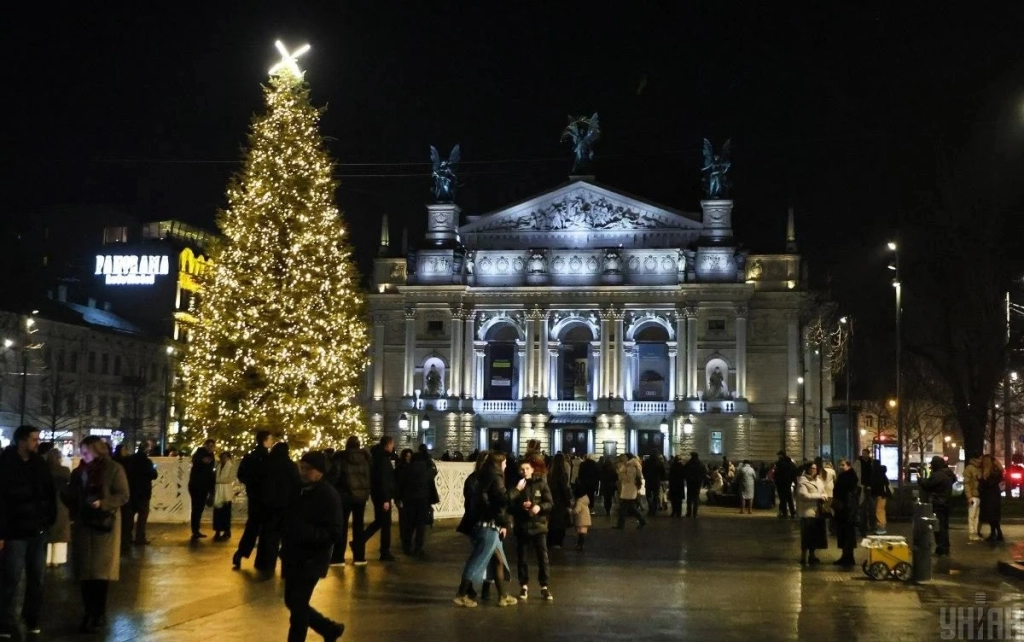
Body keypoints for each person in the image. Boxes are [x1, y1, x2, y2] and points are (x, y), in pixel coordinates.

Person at [64, 435, 130, 634]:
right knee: (85, 573)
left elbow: (123, 494)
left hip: (104, 526)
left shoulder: (114, 469)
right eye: (81, 450)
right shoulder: (79, 471)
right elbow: (73, 495)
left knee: (100, 573)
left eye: (86, 450)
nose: (82, 454)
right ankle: (89, 612)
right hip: (85, 525)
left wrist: (103, 503)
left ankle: (98, 612)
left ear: (96, 449)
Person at [0, 426, 57, 638]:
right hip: (16, 531)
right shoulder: (6, 465)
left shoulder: (39, 464)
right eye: (34, 439)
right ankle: (6, 621)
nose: (37, 443)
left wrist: (48, 520)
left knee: (37, 578)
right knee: (12, 578)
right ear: (22, 441)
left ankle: (31, 618)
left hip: (37, 529)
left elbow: (50, 494)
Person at [282, 452, 344, 642]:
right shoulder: (300, 489)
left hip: (312, 558)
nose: (303, 472)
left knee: (298, 606)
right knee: (292, 601)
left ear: (319, 471)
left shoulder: (328, 495)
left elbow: (333, 531)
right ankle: (329, 628)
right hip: (293, 555)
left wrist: (306, 532)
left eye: (308, 469)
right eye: (302, 467)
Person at [453, 451, 515, 608]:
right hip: (486, 526)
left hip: (489, 524)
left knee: (497, 560)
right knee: (478, 560)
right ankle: (463, 593)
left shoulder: (484, 480)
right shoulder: (486, 480)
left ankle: (502, 595)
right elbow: (498, 503)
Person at [510, 455, 553, 601]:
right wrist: (520, 507)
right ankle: (524, 585)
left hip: (538, 525)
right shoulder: (517, 485)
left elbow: (549, 503)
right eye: (522, 469)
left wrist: (539, 507)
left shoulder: (541, 484)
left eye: (527, 468)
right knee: (522, 557)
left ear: (532, 469)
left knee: (543, 557)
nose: (524, 471)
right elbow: (510, 504)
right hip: (522, 525)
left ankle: (544, 586)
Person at [233, 431, 274, 570]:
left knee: (253, 526)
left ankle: (241, 553)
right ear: (264, 440)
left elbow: (241, 474)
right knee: (265, 529)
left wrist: (251, 485)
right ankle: (261, 559)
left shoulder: (250, 457)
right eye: (270, 438)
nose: (272, 441)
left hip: (254, 496)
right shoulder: (268, 458)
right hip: (266, 497)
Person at [257, 441, 301, 572]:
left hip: (268, 505)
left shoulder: (266, 464)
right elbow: (296, 485)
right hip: (285, 505)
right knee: (286, 536)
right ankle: (286, 564)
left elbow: (260, 483)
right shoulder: (290, 466)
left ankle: (265, 563)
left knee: (268, 535)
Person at [331, 436, 372, 566]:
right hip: (360, 497)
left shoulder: (341, 458)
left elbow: (335, 476)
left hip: (345, 496)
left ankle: (338, 557)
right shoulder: (366, 459)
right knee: (359, 526)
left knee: (342, 526)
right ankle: (359, 557)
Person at [359, 436, 397, 563]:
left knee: (380, 521)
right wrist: (386, 498)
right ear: (387, 445)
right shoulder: (383, 459)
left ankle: (360, 541)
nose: (393, 447)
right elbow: (383, 480)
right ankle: (384, 551)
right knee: (385, 523)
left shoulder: (377, 457)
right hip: (382, 496)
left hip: (377, 495)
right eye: (392, 444)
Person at [395, 449, 434, 556]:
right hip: (423, 500)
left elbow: (401, 484)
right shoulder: (426, 470)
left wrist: (399, 498)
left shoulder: (406, 469)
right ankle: (418, 547)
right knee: (421, 526)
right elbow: (433, 475)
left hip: (409, 500)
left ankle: (407, 546)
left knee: (409, 524)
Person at [919, 456, 956, 556]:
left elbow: (927, 485)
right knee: (944, 526)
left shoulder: (937, 475)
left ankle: (941, 548)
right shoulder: (947, 474)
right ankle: (945, 547)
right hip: (946, 503)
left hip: (939, 503)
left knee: (938, 527)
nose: (931, 466)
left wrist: (919, 479)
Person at [124, 442, 158, 547]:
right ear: (147, 450)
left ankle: (127, 537)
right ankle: (140, 538)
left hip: (132, 491)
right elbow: (153, 475)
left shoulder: (130, 459)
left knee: (130, 516)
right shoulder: (147, 462)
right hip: (143, 492)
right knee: (142, 516)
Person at [796, 462, 827, 566]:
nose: (814, 470)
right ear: (807, 469)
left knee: (814, 536)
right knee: (806, 535)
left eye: (815, 468)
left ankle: (812, 555)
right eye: (812, 468)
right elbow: (803, 495)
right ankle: (803, 556)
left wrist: (824, 495)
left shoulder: (818, 480)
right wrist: (819, 496)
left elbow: (823, 491)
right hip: (807, 511)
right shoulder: (803, 480)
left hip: (817, 511)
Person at [44, 448, 71, 567]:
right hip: (61, 504)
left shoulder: (43, 470)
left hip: (47, 503)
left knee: (47, 532)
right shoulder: (64, 471)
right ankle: (57, 559)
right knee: (60, 532)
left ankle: (47, 558)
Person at [831, 458, 860, 566]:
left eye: (843, 465)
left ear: (848, 465)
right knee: (848, 533)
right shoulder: (852, 477)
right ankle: (848, 556)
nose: (841, 467)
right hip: (848, 509)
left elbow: (842, 492)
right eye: (840, 465)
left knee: (845, 533)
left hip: (845, 509)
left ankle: (846, 556)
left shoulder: (845, 477)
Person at [187, 439, 216, 540]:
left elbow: (211, 473)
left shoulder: (210, 456)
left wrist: (211, 490)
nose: (210, 447)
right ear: (205, 445)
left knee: (199, 508)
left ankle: (196, 530)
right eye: (209, 445)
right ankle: (195, 530)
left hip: (203, 485)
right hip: (197, 485)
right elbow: (200, 461)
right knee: (197, 508)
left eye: (212, 446)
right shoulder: (200, 453)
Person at [546, 453, 572, 548]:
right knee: (560, 523)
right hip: (560, 502)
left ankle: (550, 541)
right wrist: (568, 502)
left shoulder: (550, 474)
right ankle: (557, 542)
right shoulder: (561, 474)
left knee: (552, 522)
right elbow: (564, 489)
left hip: (551, 500)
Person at [614, 454, 646, 529]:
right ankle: (641, 521)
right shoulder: (630, 465)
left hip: (629, 488)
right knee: (628, 507)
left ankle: (621, 524)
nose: (622, 458)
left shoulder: (631, 465)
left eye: (624, 457)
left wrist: (621, 474)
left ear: (628, 457)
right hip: (629, 488)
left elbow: (629, 478)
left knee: (626, 506)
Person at [978, 454, 1004, 542]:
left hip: (991, 496)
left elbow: (989, 484)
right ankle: (995, 533)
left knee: (993, 516)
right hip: (990, 496)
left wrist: (982, 479)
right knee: (992, 517)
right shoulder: (993, 471)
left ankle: (997, 534)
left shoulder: (993, 472)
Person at [213, 451, 236, 541]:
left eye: (225, 457)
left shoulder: (230, 467)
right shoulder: (218, 466)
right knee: (218, 513)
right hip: (219, 492)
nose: (223, 459)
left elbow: (229, 478)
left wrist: (218, 480)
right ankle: (218, 530)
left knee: (226, 513)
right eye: (222, 457)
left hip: (226, 493)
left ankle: (227, 530)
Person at [853, 448, 875, 534]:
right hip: (861, 486)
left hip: (869, 487)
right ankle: (863, 526)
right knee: (862, 506)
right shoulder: (858, 462)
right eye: (863, 453)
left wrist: (871, 485)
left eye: (865, 453)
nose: (863, 455)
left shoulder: (871, 462)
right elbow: (855, 473)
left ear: (868, 454)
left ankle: (869, 524)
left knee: (870, 507)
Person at [962, 454, 982, 542]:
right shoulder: (970, 468)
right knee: (972, 516)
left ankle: (975, 533)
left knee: (976, 516)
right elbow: (966, 483)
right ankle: (972, 533)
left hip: (977, 495)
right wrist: (969, 496)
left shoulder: (979, 468)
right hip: (973, 495)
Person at [682, 452, 706, 518]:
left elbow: (684, 471)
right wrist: (701, 480)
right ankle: (695, 513)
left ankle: (689, 513)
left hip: (690, 483)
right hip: (697, 483)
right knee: (696, 498)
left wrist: (687, 478)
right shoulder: (700, 464)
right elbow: (704, 472)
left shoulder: (689, 463)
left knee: (689, 498)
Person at [773, 451, 797, 518]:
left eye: (779, 455)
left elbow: (776, 474)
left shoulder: (779, 463)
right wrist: (794, 481)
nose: (778, 456)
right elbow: (794, 473)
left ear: (781, 455)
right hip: (788, 483)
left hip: (781, 484)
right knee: (789, 499)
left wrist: (776, 481)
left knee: (783, 499)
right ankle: (792, 513)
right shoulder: (791, 463)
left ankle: (784, 513)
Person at [870, 462, 892, 535]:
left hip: (880, 495)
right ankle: (881, 526)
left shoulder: (876, 475)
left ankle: (881, 527)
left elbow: (875, 486)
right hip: (883, 495)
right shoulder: (883, 474)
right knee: (881, 510)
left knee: (879, 511)